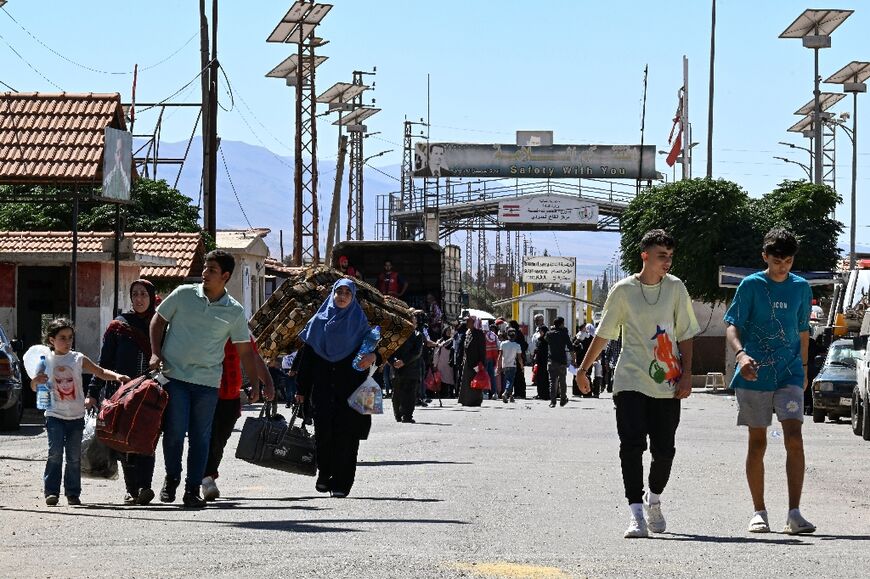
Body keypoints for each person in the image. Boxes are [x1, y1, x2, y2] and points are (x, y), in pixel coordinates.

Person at [577, 229, 699, 539]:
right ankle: (635, 514)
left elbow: (685, 333)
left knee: (664, 450)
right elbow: (603, 333)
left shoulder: (676, 288)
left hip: (667, 381)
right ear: (645, 256)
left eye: (670, 257)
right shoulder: (623, 291)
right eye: (662, 256)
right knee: (631, 447)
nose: (667, 262)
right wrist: (583, 369)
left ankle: (653, 499)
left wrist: (686, 375)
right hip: (630, 379)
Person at [149, 250, 273, 509]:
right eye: (205, 268)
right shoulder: (183, 294)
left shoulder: (234, 311)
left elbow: (245, 350)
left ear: (225, 276)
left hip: (207, 382)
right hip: (175, 376)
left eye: (212, 270)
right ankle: (172, 478)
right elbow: (157, 321)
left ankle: (192, 489)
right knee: (174, 431)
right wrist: (155, 352)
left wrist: (255, 384)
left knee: (201, 437)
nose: (205, 273)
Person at [724, 228, 816, 535]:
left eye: (788, 261)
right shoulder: (751, 285)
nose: (783, 267)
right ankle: (759, 512)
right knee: (758, 441)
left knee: (795, 437)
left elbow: (803, 331)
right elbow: (732, 327)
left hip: (789, 372)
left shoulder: (801, 288)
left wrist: (803, 368)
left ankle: (794, 513)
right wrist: (740, 356)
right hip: (754, 372)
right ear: (765, 257)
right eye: (777, 260)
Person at [32, 318, 130, 506]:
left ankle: (73, 493)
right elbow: (34, 386)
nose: (67, 341)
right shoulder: (45, 361)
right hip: (54, 416)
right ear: (51, 340)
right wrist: (36, 380)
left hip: (76, 418)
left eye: (70, 337)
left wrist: (117, 376)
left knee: (74, 456)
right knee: (55, 453)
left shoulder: (78, 358)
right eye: (62, 337)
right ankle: (51, 492)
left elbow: (100, 371)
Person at [296, 278, 379, 497]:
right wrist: (301, 390)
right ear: (332, 294)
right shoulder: (317, 323)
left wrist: (374, 355)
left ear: (353, 298)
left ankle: (342, 483)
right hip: (323, 390)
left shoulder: (361, 325)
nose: (342, 296)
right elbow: (307, 359)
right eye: (338, 292)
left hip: (352, 391)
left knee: (347, 437)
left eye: (347, 293)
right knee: (324, 435)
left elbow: (376, 352)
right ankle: (325, 475)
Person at [87, 279, 159, 505]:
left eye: (143, 295)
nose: (139, 299)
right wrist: (92, 393)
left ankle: (145, 487)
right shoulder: (118, 326)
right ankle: (131, 489)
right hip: (121, 395)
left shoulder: (159, 325)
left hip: (150, 394)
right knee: (124, 441)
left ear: (151, 297)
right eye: (135, 294)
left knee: (147, 439)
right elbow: (103, 362)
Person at [201, 337, 274, 502]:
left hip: (230, 395)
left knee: (219, 440)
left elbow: (253, 356)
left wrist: (267, 383)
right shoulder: (203, 321)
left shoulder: (239, 328)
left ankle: (207, 475)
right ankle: (204, 479)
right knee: (206, 438)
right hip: (204, 392)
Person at [390, 313, 424, 423]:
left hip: (408, 368)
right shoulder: (397, 334)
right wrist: (394, 362)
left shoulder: (417, 335)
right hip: (401, 368)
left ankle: (404, 415)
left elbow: (417, 352)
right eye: (414, 321)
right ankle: (401, 415)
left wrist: (401, 361)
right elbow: (389, 349)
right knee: (401, 392)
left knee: (405, 392)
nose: (415, 323)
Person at [458, 316, 486, 407]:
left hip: (475, 362)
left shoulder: (479, 334)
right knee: (466, 381)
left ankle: (474, 401)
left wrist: (481, 362)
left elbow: (482, 350)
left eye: (469, 321)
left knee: (475, 381)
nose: (467, 323)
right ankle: (465, 400)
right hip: (468, 361)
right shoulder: (468, 333)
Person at [546, 317, 572, 408]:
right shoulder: (564, 334)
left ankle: (553, 402)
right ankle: (563, 399)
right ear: (561, 324)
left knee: (552, 382)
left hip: (551, 360)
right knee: (562, 381)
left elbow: (546, 340)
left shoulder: (549, 334)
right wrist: (573, 360)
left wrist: (552, 329)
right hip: (562, 361)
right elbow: (570, 347)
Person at [498, 329, 524, 403]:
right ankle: (506, 393)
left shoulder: (503, 344)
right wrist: (522, 366)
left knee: (507, 380)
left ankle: (511, 396)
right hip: (512, 365)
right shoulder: (517, 345)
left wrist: (498, 366)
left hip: (504, 365)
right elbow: (519, 358)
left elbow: (500, 356)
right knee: (510, 381)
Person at [508, 320, 528, 399]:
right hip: (520, 356)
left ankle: (518, 393)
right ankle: (520, 393)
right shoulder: (520, 333)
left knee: (516, 376)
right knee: (520, 375)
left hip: (516, 357)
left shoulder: (514, 334)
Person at [433, 327, 456, 397]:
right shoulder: (439, 342)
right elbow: (436, 354)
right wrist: (435, 364)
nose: (449, 332)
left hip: (449, 364)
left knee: (450, 379)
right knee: (442, 380)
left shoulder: (453, 341)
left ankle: (450, 394)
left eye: (450, 331)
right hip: (441, 365)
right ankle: (443, 394)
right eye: (447, 331)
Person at [482, 320, 500, 400]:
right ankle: (494, 393)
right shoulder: (493, 335)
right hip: (492, 358)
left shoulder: (481, 335)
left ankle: (485, 393)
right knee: (492, 376)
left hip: (483, 359)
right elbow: (498, 346)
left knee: (484, 376)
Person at [532, 325, 550, 400]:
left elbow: (544, 351)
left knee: (543, 378)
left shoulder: (546, 340)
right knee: (539, 378)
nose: (540, 332)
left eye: (541, 331)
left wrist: (538, 351)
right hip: (539, 361)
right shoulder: (540, 339)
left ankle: (544, 394)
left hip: (544, 361)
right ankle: (540, 393)